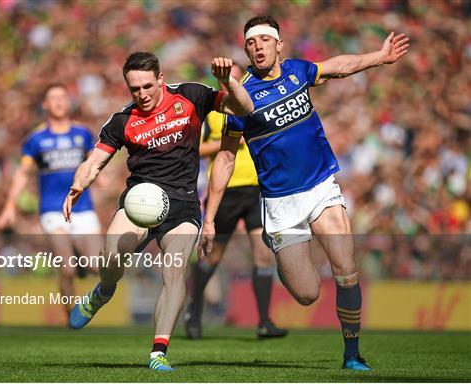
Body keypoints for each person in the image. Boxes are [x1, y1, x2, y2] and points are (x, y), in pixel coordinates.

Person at [198, 16, 409, 371]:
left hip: (321, 186)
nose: (259, 46)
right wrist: (209, 219)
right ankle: (284, 252)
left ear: (279, 45)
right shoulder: (240, 97)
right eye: (252, 42)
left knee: (346, 267)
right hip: (281, 204)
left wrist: (379, 56)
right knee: (307, 294)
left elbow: (337, 68)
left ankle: (352, 355)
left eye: (265, 40)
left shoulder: (298, 71)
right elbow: (225, 159)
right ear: (246, 49)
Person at [63, 52, 253, 371]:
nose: (142, 94)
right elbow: (94, 161)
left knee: (174, 269)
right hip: (140, 201)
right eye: (134, 89)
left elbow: (244, 107)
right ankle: (104, 291)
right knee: (110, 256)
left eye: (147, 86)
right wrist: (77, 185)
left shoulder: (191, 95)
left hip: (183, 205)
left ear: (160, 79)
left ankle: (158, 352)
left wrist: (226, 81)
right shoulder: (122, 120)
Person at [186, 64, 287, 340]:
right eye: (229, 78)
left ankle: (264, 321)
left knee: (263, 253)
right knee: (214, 255)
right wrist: (228, 144)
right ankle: (193, 312)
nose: (235, 82)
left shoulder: (254, 108)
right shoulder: (213, 114)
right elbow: (193, 147)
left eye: (238, 77)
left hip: (255, 191)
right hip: (226, 193)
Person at [0, 83, 102, 316]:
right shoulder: (36, 139)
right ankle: (72, 316)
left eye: (63, 97)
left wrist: (101, 182)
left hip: (83, 208)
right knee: (66, 268)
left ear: (69, 102)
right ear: (45, 104)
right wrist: (10, 206)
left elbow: (95, 162)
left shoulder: (83, 133)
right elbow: (23, 172)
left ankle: (83, 263)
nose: (58, 101)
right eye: (53, 98)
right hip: (53, 210)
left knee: (97, 266)